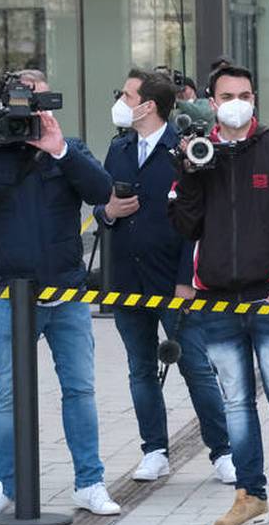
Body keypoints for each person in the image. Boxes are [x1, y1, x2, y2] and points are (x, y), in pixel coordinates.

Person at [0, 68, 122, 520]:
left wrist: (58, 149)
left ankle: (89, 483)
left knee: (80, 389)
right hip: (9, 294)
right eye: (20, 100)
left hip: (67, 292)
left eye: (36, 100)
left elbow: (102, 191)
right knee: (7, 396)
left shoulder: (67, 147)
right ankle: (4, 485)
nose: (28, 110)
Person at [167, 64, 269, 525]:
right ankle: (250, 495)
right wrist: (191, 171)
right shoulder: (198, 151)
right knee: (235, 403)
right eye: (228, 94)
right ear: (212, 102)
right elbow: (182, 225)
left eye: (246, 93)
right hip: (216, 302)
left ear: (254, 98)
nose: (238, 101)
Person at [96, 70, 235, 485]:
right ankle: (154, 450)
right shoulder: (118, 149)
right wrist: (107, 213)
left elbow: (200, 221)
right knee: (140, 369)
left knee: (195, 366)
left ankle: (223, 452)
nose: (120, 101)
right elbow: (103, 209)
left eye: (127, 94)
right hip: (125, 280)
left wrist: (186, 278)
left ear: (148, 105)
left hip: (174, 281)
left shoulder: (184, 152)